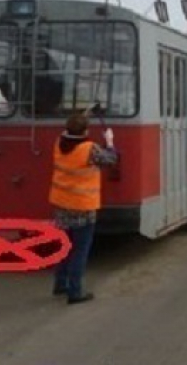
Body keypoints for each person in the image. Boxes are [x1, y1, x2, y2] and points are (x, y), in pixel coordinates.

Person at [48, 112, 118, 304]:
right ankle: (75, 292)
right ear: (86, 131)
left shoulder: (59, 144)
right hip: (82, 207)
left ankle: (60, 284)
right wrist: (110, 141)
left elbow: (69, 134)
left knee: (65, 247)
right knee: (80, 250)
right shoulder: (89, 149)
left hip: (62, 204)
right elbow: (111, 159)